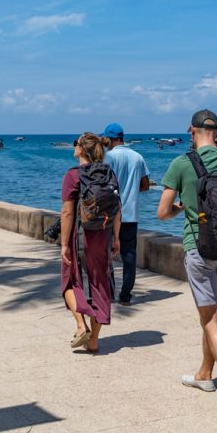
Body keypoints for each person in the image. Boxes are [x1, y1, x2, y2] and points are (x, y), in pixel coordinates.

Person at [158, 109, 217, 416]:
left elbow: (162, 212)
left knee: (210, 319)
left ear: (192, 131)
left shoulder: (182, 163)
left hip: (198, 248)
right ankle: (204, 375)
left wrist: (181, 208)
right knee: (212, 314)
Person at [61, 133, 122, 353]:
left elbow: (67, 213)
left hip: (81, 235)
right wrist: (116, 237)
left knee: (69, 281)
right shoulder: (109, 174)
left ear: (81, 149)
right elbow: (117, 209)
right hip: (103, 235)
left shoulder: (73, 176)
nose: (73, 146)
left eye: (75, 143)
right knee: (100, 282)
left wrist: (64, 245)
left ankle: (81, 326)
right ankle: (94, 341)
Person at [103, 122, 150, 306]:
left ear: (109, 138)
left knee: (107, 254)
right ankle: (125, 296)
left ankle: (109, 292)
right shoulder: (138, 156)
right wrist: (131, 191)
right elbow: (145, 185)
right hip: (131, 215)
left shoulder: (109, 156)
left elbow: (103, 184)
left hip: (111, 213)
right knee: (129, 257)